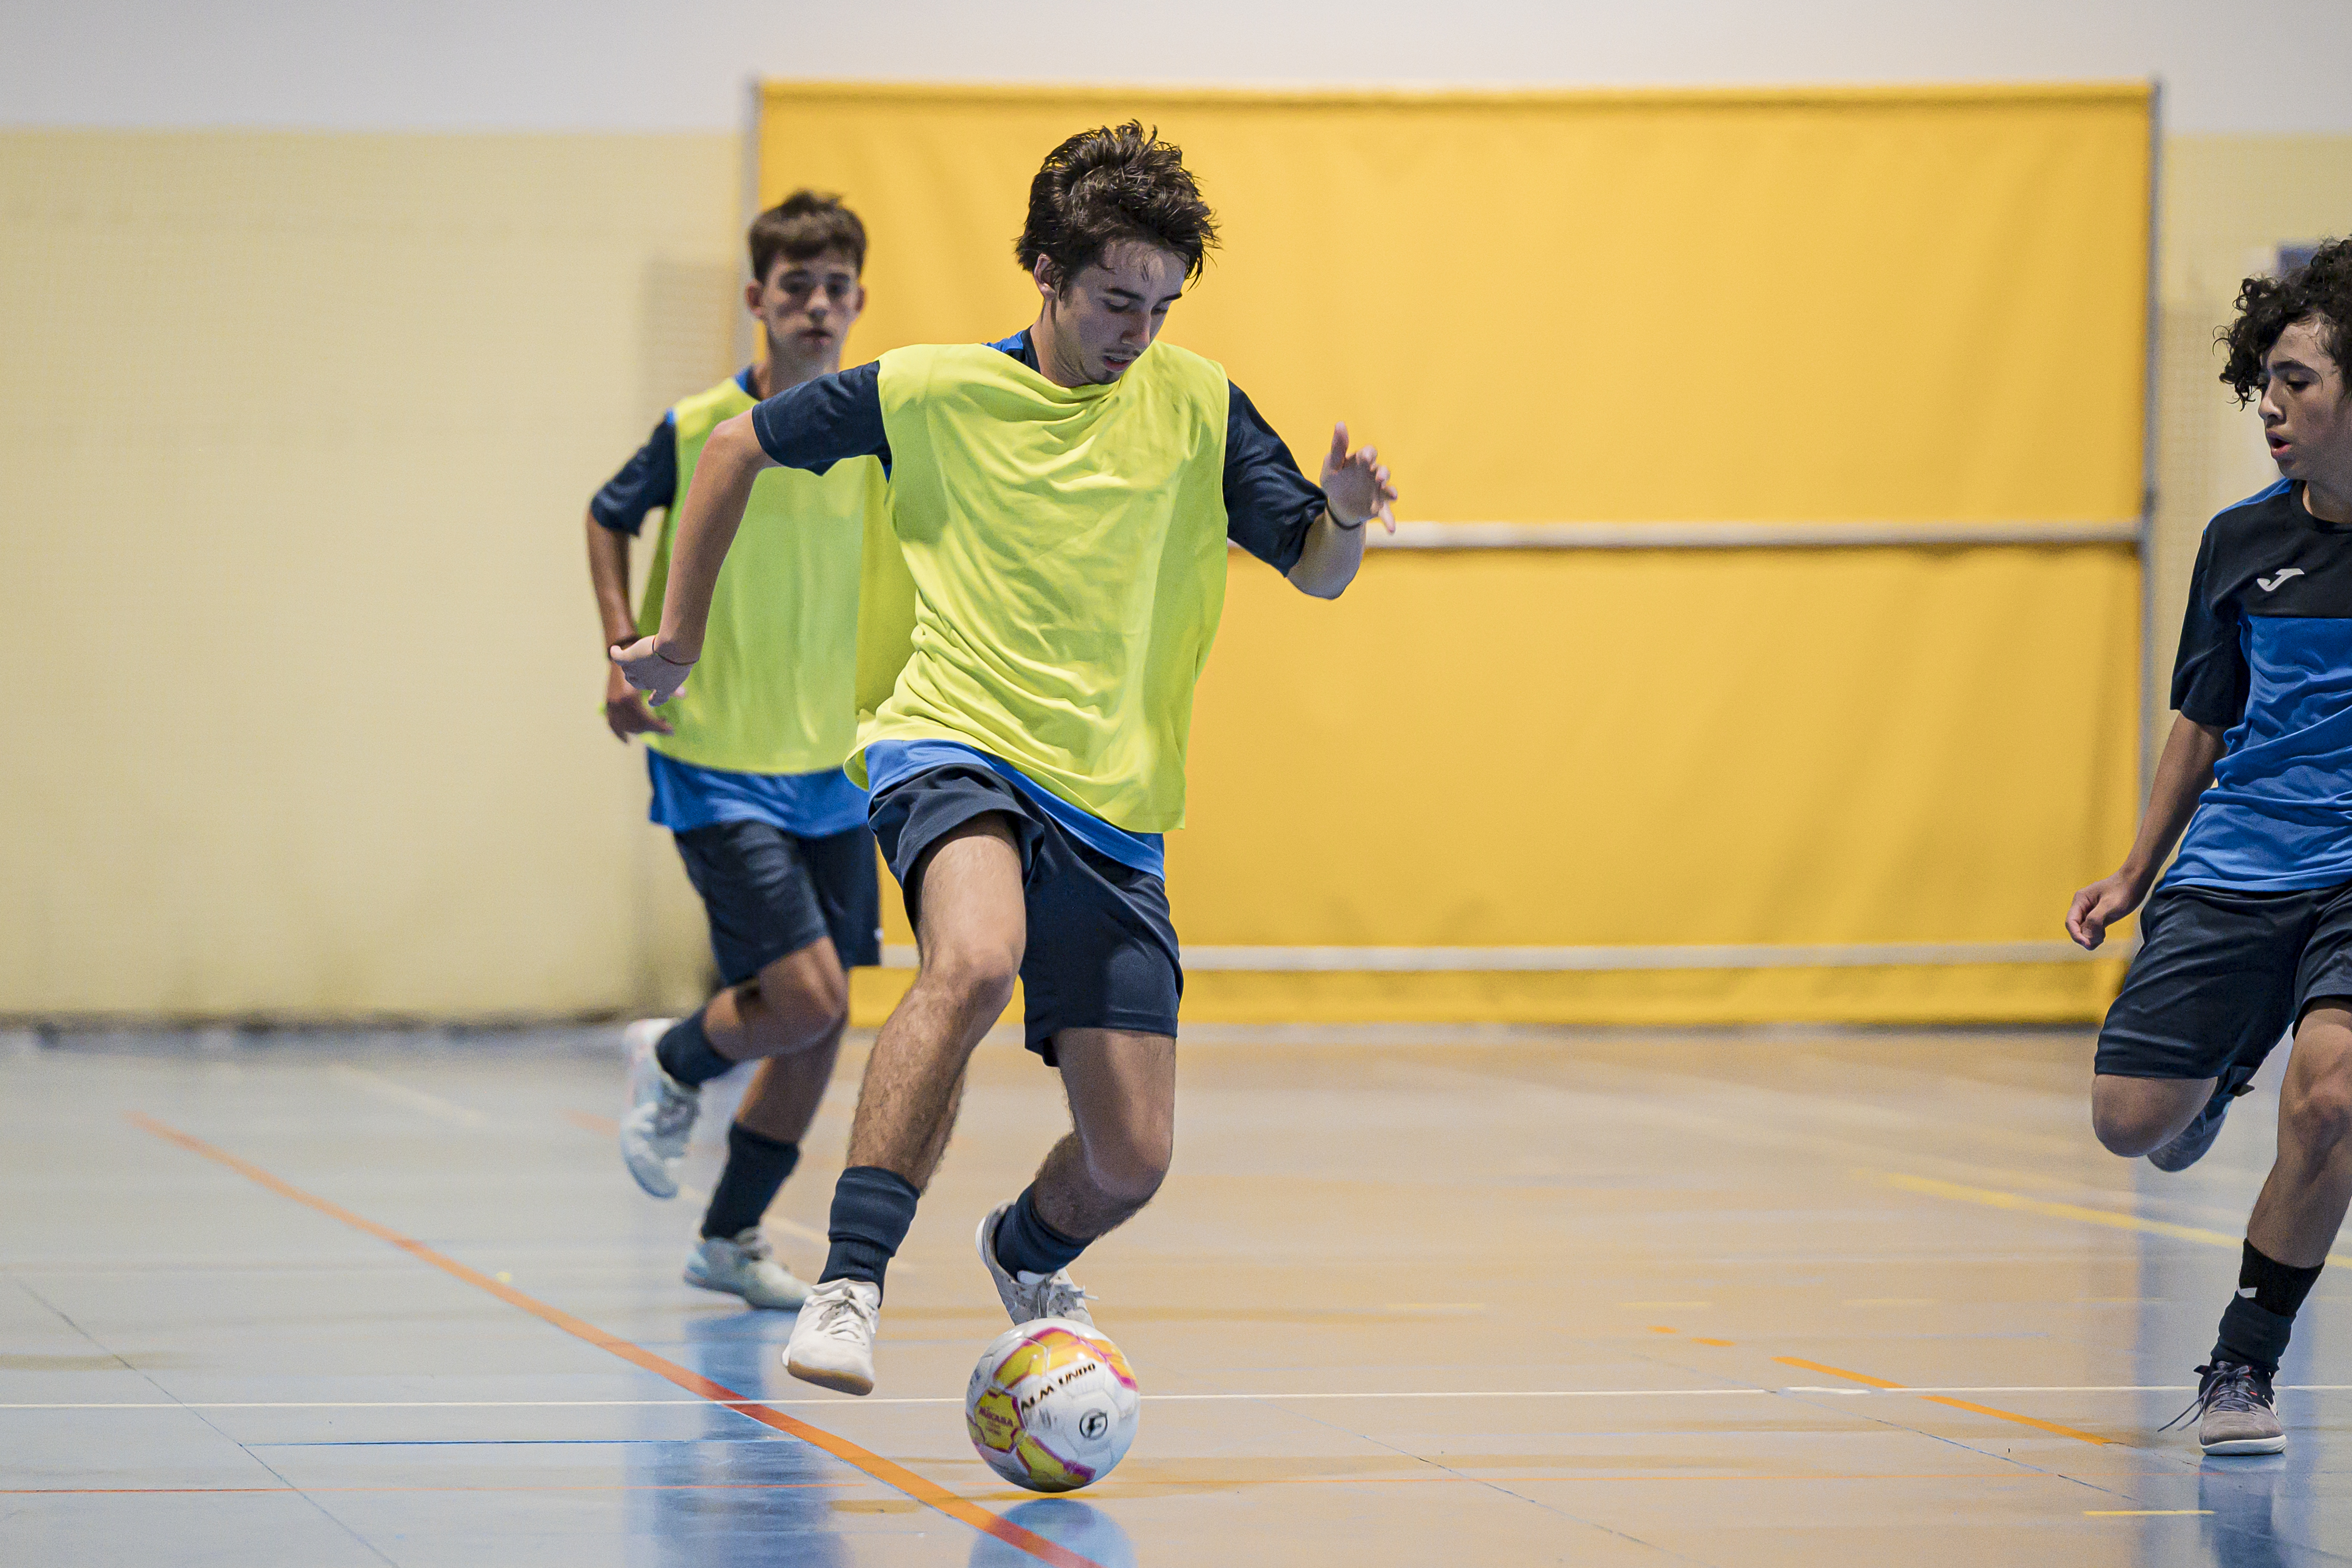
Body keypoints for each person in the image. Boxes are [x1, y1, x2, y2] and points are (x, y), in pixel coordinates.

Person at [614, 122, 1399, 1395]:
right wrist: (680, 639)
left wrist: (1348, 523)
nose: (1136, 329)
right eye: (1111, 299)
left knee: (1130, 1159)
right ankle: (849, 1280)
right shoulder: (929, 391)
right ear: (1043, 269)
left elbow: (1312, 570)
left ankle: (1023, 1247)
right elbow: (730, 448)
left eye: (1160, 302)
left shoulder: (1196, 406)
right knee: (973, 957)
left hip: (1113, 801)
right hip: (952, 740)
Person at [589, 191, 911, 1311]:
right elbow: (604, 513)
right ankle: (675, 1059)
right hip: (717, 751)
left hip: (833, 765)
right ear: (757, 300)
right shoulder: (698, 431)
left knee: (819, 1025)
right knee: (807, 995)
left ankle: (728, 1239)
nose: (817, 307)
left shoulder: (880, 435)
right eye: (796, 289)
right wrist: (618, 653)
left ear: (858, 301)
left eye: (835, 290)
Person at [2068, 236, 2352, 1455]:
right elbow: (2202, 712)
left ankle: (2244, 1360)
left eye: (2297, 381)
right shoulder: (2239, 544)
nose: (2271, 409)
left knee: (2334, 1100)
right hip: (2241, 856)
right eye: (2265, 384)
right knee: (2128, 1118)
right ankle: (2212, 1074)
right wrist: (2137, 869)